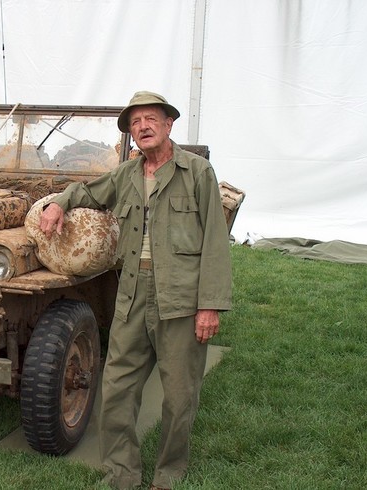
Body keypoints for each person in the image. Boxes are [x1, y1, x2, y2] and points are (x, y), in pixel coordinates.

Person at [39, 91, 232, 490]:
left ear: (168, 125)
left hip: (180, 297)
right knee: (116, 391)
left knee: (179, 397)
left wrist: (209, 305)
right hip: (130, 296)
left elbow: (215, 240)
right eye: (135, 122)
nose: (142, 127)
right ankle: (121, 474)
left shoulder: (197, 172)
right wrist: (58, 203)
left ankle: (169, 473)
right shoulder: (126, 175)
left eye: (150, 119)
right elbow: (87, 192)